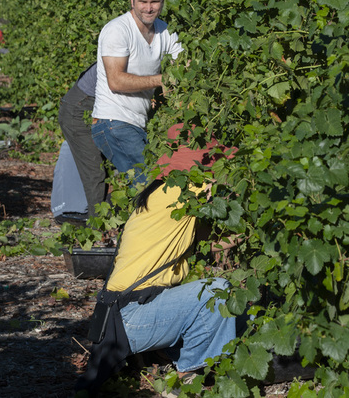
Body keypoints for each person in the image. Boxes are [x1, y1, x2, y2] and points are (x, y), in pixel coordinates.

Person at [74, 123, 238, 397]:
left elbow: (213, 244)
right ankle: (190, 376)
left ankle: (167, 357)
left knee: (213, 303)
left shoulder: (163, 193)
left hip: (126, 312)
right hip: (133, 315)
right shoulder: (184, 192)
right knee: (217, 291)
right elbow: (231, 196)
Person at [91, 0, 184, 185]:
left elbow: (184, 66)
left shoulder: (165, 31)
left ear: (163, 2)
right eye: (142, 1)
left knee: (145, 186)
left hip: (135, 123)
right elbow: (116, 81)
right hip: (113, 121)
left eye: (154, 2)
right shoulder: (118, 30)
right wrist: (161, 80)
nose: (148, 8)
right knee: (151, 183)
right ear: (131, 0)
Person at [58, 63, 107, 220]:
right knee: (95, 170)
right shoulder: (119, 51)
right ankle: (97, 225)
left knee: (109, 165)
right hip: (79, 110)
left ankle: (107, 217)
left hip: (93, 108)